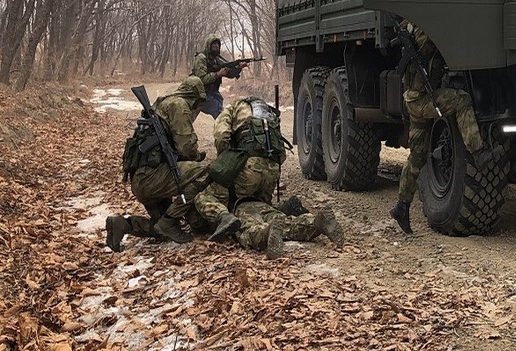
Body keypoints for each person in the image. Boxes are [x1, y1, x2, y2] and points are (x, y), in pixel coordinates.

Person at [193, 96, 344, 259]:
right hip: (272, 170)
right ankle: (316, 222)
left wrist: (228, 162)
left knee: (208, 200)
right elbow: (281, 153)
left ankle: (263, 234)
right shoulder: (268, 113)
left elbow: (221, 135)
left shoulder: (234, 107)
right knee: (266, 212)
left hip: (247, 168)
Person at [388, 20, 491, 234]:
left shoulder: (411, 28)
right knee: (461, 100)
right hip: (421, 100)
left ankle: (402, 206)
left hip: (413, 99)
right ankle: (477, 151)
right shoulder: (424, 33)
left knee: (417, 156)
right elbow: (428, 46)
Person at [106, 77, 212, 252]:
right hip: (154, 176)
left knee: (160, 230)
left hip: (142, 180)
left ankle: (123, 224)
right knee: (207, 171)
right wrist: (197, 157)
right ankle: (170, 220)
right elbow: (187, 147)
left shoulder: (161, 105)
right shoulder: (178, 105)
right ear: (195, 96)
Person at [190, 34, 248, 119]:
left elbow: (229, 73)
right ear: (208, 45)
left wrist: (239, 67)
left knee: (221, 117)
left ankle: (222, 131)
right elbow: (201, 79)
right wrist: (217, 74)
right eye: (213, 44)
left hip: (210, 94)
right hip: (197, 94)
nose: (216, 46)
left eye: (218, 44)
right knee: (186, 121)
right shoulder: (201, 58)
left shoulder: (217, 59)